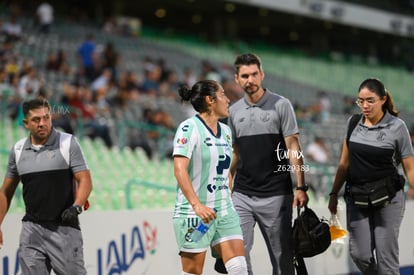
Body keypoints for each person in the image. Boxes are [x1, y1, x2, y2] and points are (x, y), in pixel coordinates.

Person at [226, 53, 309, 275]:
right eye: (245, 76)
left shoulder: (282, 105)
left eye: (254, 74)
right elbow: (235, 151)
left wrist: (301, 186)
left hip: (276, 195)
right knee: (237, 256)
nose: (250, 80)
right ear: (237, 79)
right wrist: (228, 176)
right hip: (242, 195)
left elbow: (293, 146)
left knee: (282, 259)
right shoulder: (233, 111)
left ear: (262, 74)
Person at [328, 78, 414, 275]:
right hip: (357, 199)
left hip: (388, 200)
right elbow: (344, 163)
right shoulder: (353, 123)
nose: (365, 106)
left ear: (383, 99)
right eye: (361, 101)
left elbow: (410, 168)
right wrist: (333, 194)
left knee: (386, 260)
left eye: (370, 100)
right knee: (360, 254)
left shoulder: (397, 127)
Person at [0, 98, 92, 274]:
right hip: (31, 230)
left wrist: (77, 206)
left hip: (64, 229)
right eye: (36, 120)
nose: (42, 123)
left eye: (46, 118)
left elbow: (85, 179)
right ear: (26, 123)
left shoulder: (68, 143)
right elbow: (5, 191)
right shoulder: (17, 150)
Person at [172, 80, 248, 275]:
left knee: (239, 268)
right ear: (210, 100)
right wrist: (197, 206)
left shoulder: (226, 132)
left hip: (224, 211)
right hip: (195, 216)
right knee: (192, 272)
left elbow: (224, 167)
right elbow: (179, 169)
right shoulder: (189, 128)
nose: (228, 99)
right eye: (223, 95)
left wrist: (228, 181)